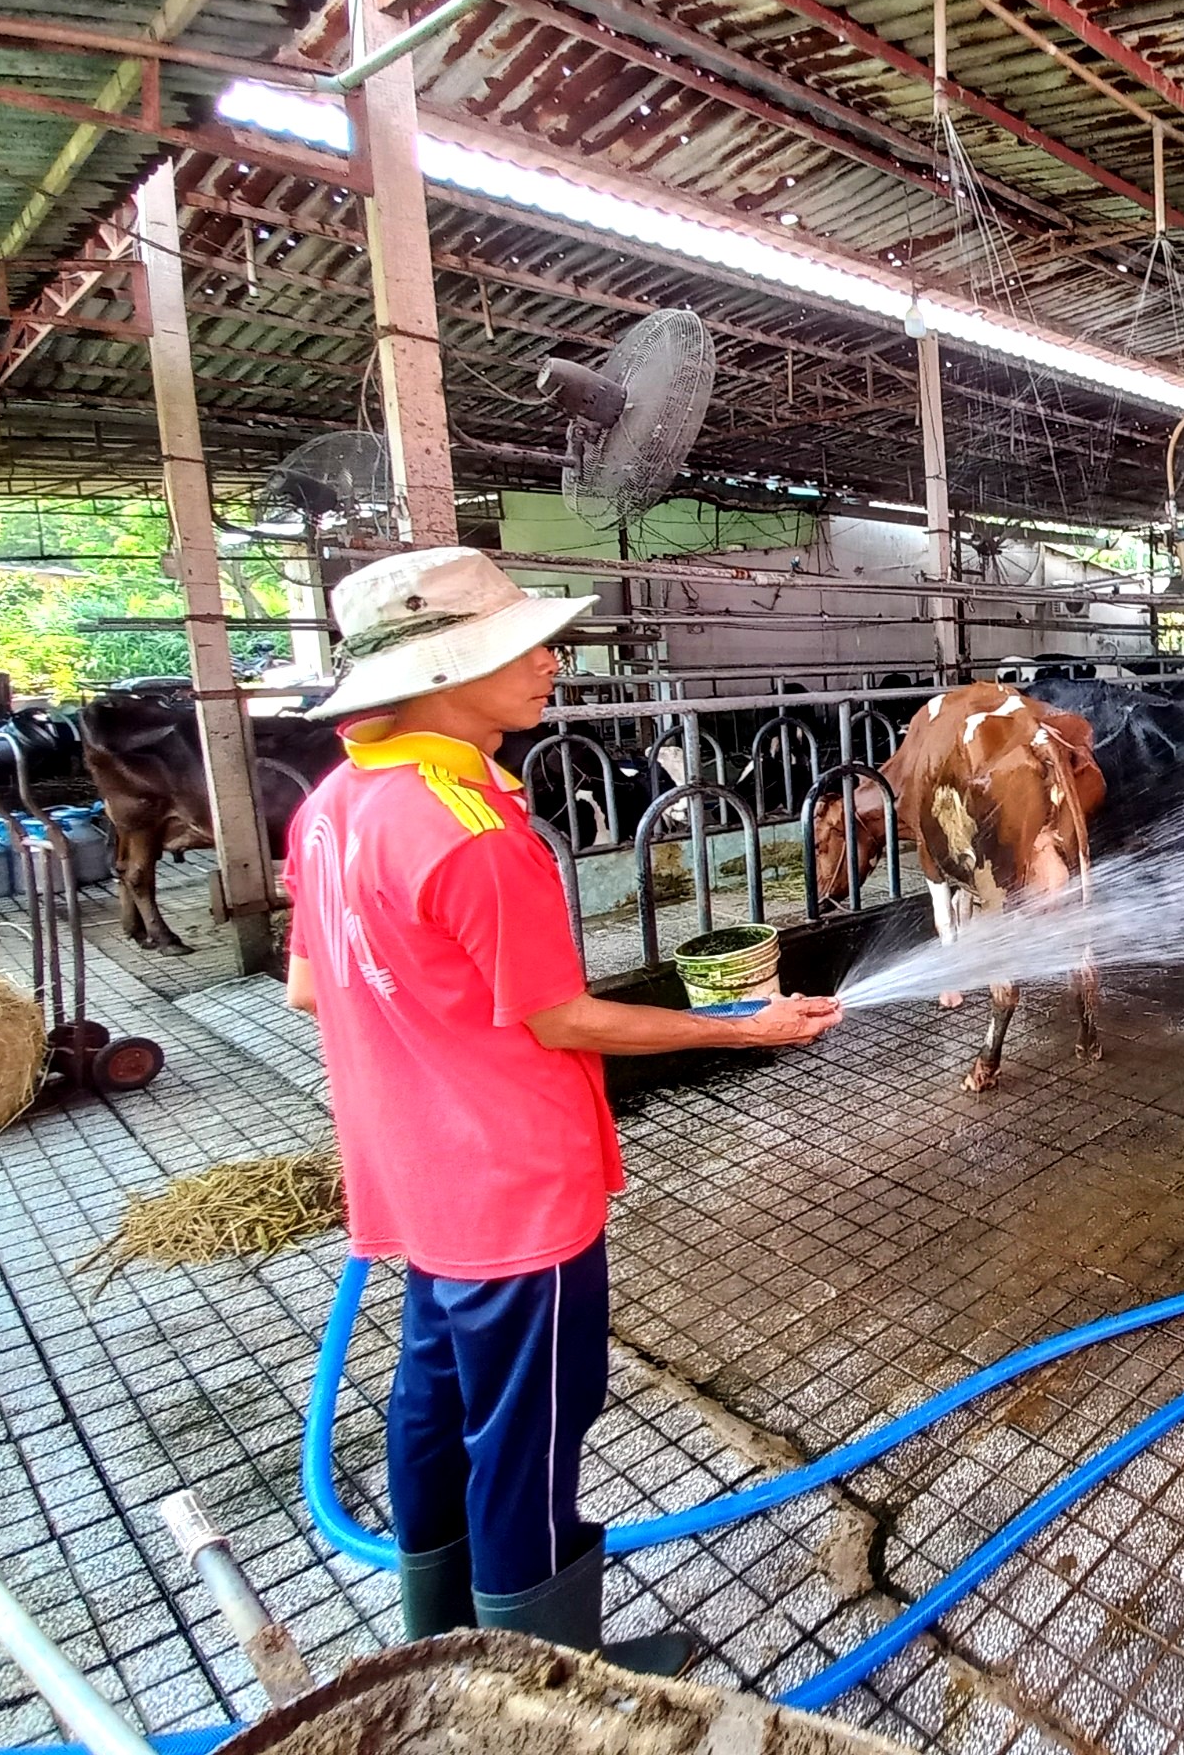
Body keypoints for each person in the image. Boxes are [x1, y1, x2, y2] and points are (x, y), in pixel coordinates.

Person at [284, 548, 840, 1673]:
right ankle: (547, 1689)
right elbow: (563, 1021)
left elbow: (308, 986)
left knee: (436, 1407)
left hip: (414, 1174)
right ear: (446, 673)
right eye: (522, 649)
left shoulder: (337, 802)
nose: (550, 666)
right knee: (532, 1435)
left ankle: (441, 1654)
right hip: (511, 1187)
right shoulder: (478, 835)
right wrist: (743, 1028)